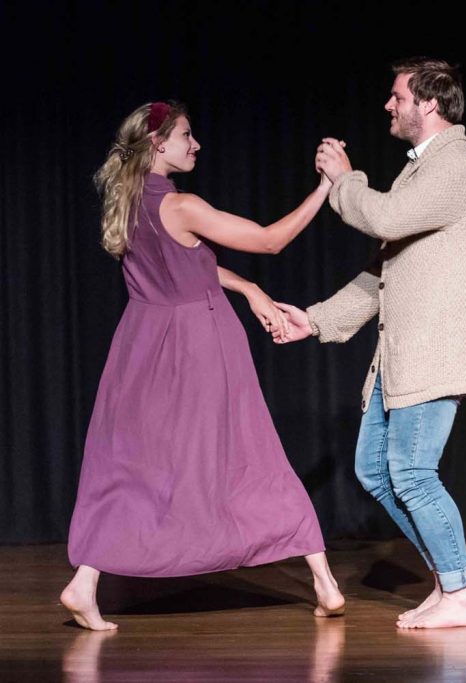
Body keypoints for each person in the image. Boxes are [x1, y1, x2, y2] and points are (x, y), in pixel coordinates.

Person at [61, 101, 345, 630]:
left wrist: (250, 288)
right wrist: (328, 187)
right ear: (157, 145)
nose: (196, 145)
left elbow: (194, 265)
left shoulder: (128, 201)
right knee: (248, 451)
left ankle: (84, 582)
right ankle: (324, 581)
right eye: (187, 136)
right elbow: (269, 240)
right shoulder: (181, 204)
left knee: (131, 466)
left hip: (141, 344)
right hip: (196, 344)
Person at [275, 57, 466, 629]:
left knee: (414, 473)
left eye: (398, 96)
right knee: (375, 469)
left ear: (429, 103)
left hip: (434, 349)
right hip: (402, 354)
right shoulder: (421, 171)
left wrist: (346, 177)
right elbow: (382, 272)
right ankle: (450, 583)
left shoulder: (459, 166)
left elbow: (386, 219)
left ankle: (461, 593)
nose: (388, 105)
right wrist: (316, 320)